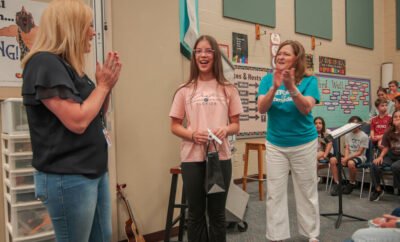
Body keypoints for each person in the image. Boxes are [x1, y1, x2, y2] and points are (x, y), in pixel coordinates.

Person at [21, 0, 122, 241]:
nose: (93, 32)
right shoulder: (43, 63)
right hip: (67, 177)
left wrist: (105, 89)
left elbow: (96, 114)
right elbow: (77, 121)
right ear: (71, 28)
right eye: (88, 26)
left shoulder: (70, 67)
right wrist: (103, 86)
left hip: (92, 172)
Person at [169, 35, 243, 242]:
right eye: (198, 51)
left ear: (215, 56)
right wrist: (192, 134)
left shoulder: (229, 89)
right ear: (194, 56)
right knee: (195, 215)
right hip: (192, 159)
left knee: (218, 215)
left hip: (220, 159)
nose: (203, 55)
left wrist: (226, 130)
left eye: (208, 51)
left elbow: (236, 125)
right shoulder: (184, 90)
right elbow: (174, 126)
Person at [256, 40, 320, 242]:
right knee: (275, 192)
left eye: (286, 54)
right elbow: (261, 108)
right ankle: (276, 236)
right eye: (278, 54)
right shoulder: (267, 80)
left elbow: (306, 108)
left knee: (306, 190)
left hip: (304, 143)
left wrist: (291, 87)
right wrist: (274, 88)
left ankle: (311, 234)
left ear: (297, 59)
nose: (280, 57)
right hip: (276, 144)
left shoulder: (309, 81)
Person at [329, 116, 368, 196]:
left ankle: (352, 183)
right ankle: (337, 183)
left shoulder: (364, 136)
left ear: (359, 125)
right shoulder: (347, 135)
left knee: (351, 163)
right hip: (349, 155)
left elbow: (359, 152)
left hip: (360, 156)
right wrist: (345, 158)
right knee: (333, 159)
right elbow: (347, 148)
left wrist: (346, 159)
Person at [370, 110, 400, 201]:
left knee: (396, 167)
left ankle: (397, 188)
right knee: (374, 165)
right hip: (391, 155)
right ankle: (378, 190)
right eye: (395, 117)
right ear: (392, 119)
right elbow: (386, 147)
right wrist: (380, 157)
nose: (398, 118)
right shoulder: (388, 131)